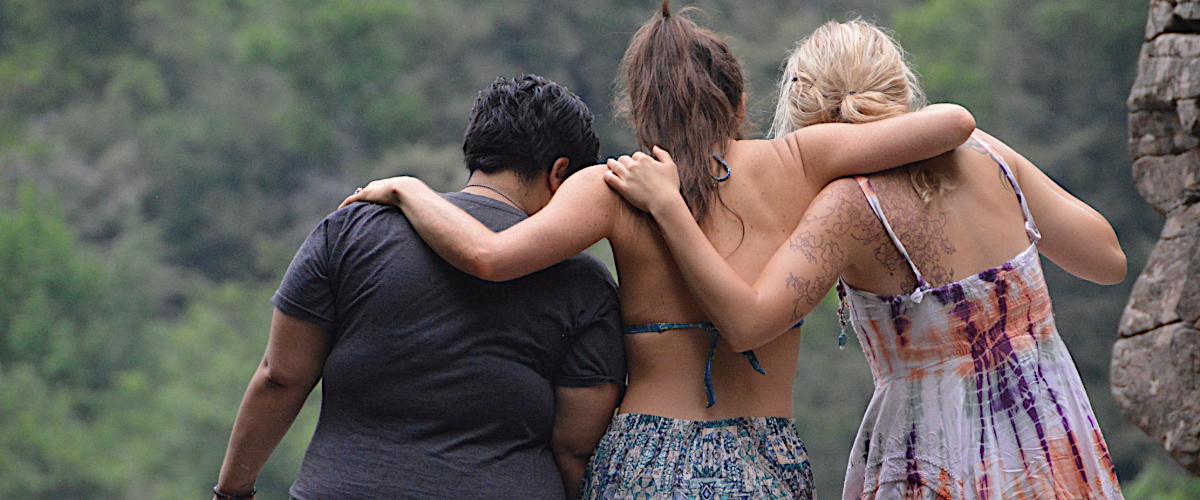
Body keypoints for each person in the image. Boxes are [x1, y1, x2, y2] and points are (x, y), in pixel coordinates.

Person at [340, 3, 975, 497]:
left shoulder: (611, 188)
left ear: (638, 109)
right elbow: (952, 123)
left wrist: (407, 189)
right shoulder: (799, 160)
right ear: (739, 102)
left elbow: (487, 257)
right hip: (765, 461)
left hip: (644, 461)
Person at [603, 19, 1125, 499]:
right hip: (1051, 434)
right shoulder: (986, 153)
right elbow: (1107, 260)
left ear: (806, 114)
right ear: (898, 84)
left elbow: (748, 324)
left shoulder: (847, 207)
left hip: (933, 454)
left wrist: (670, 209)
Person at [211, 75, 625, 500]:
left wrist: (232, 491)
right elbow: (575, 446)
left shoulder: (351, 230)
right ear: (560, 174)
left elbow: (280, 377)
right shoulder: (585, 284)